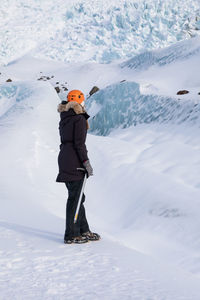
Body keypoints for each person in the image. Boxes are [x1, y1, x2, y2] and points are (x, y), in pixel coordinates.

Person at [56, 89, 100, 244]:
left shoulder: (65, 116)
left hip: (64, 158)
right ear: (80, 101)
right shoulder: (79, 119)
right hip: (74, 161)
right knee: (75, 198)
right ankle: (71, 234)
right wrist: (86, 163)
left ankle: (83, 230)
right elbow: (79, 144)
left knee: (78, 196)